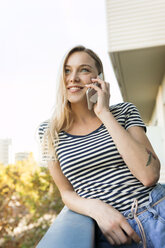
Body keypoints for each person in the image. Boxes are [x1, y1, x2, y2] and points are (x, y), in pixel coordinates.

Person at [37, 45, 165, 248]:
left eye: (84, 69)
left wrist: (104, 113)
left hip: (157, 212)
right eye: (67, 70)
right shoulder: (48, 131)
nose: (73, 78)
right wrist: (96, 209)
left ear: (99, 77)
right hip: (111, 234)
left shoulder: (124, 111)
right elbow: (66, 193)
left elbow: (149, 175)